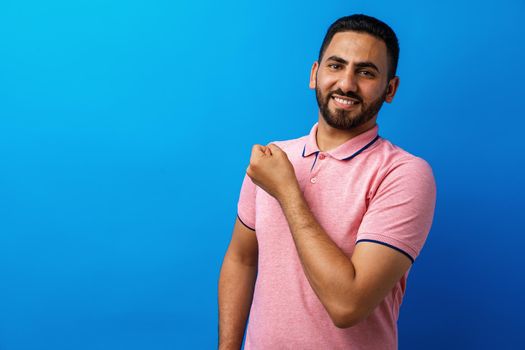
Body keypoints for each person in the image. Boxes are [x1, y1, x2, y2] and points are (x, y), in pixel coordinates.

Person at [218, 14, 436, 350]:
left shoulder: (404, 174)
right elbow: (241, 259)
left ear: (390, 89)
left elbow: (347, 305)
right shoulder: (272, 160)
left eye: (366, 72)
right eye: (336, 66)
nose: (346, 84)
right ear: (314, 74)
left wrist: (288, 191)